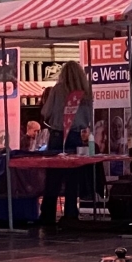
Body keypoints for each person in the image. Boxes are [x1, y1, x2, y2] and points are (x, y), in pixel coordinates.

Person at [38, 61, 94, 227]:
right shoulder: (86, 93)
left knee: (53, 178)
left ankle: (47, 215)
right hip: (76, 137)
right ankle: (70, 214)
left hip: (57, 136)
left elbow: (46, 112)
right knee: (72, 179)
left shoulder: (57, 90)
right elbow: (88, 119)